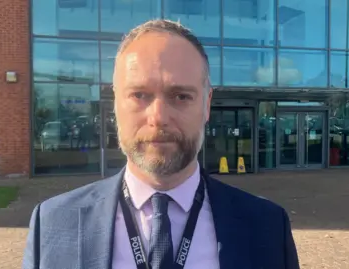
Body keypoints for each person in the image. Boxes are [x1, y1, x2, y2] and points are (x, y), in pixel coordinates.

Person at [22, 19, 300, 269]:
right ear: (116, 104)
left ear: (206, 105)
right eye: (140, 94)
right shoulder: (53, 224)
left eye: (180, 96)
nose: (158, 117)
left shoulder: (267, 227)